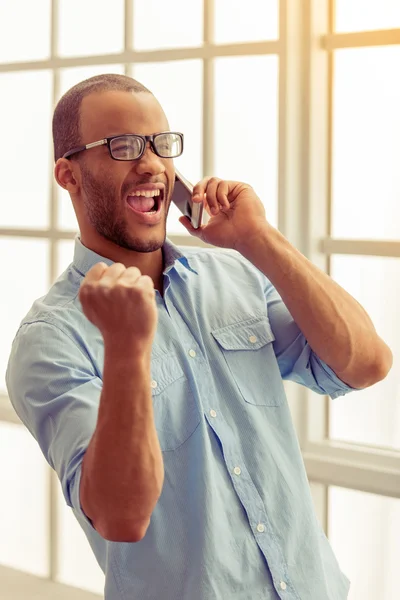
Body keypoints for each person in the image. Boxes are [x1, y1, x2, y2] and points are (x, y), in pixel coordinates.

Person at [6, 74, 392, 600]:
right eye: (122, 146)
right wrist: (126, 349)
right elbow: (120, 516)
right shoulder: (49, 341)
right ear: (67, 174)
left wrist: (259, 238)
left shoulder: (236, 276)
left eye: (162, 145)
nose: (151, 165)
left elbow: (365, 363)